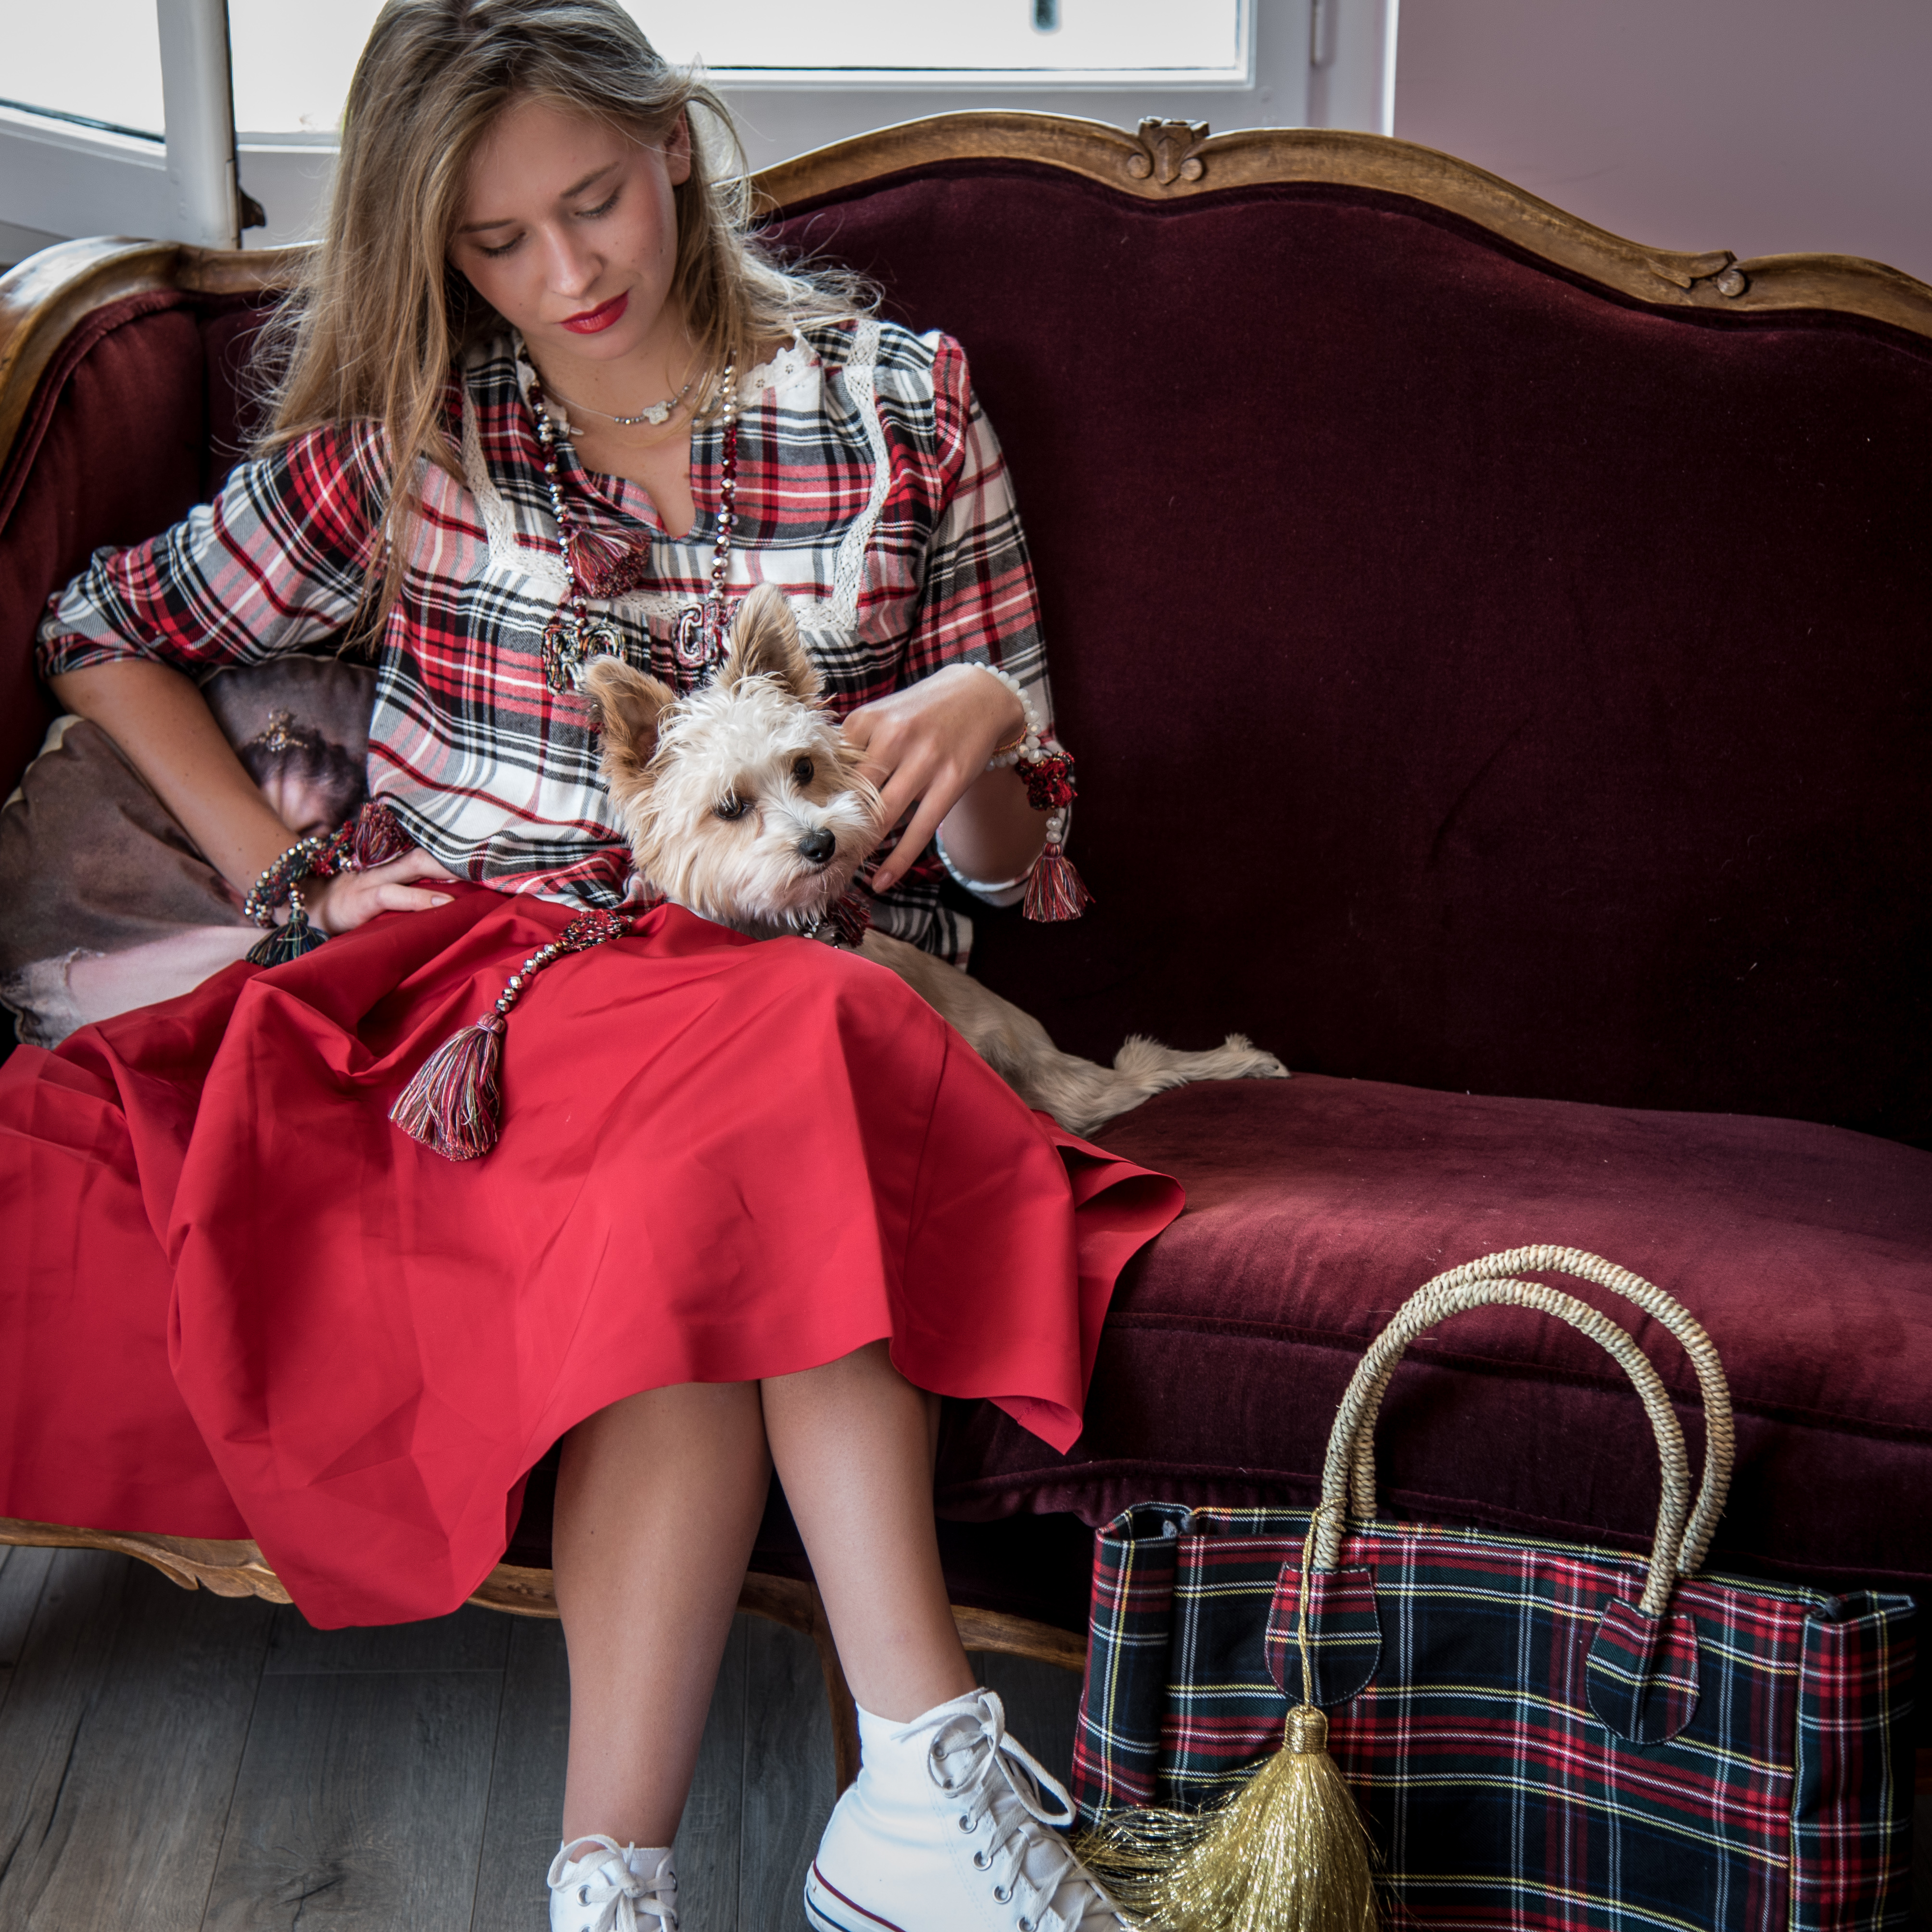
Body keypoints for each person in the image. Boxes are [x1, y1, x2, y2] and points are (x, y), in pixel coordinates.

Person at [0, 3, 1184, 1929]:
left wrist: (982, 715)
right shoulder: (410, 445)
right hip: (494, 998)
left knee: (780, 1056)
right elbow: (95, 624)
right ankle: (913, 1774)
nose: (569, 275)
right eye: (495, 244)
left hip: (772, 997)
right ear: (432, 254)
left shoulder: (904, 404)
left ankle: (606, 1882)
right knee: (795, 1039)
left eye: (595, 201)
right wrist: (294, 879)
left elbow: (997, 871)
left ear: (674, 149)